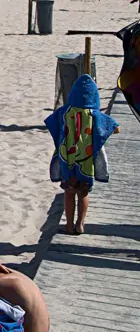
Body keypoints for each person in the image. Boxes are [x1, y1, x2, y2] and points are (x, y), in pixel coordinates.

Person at [46, 74, 118, 235]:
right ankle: (80, 224)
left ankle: (69, 225)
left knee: (69, 191)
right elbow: (112, 127)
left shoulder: (64, 112)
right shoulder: (96, 115)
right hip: (86, 163)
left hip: (68, 160)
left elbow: (50, 121)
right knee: (83, 192)